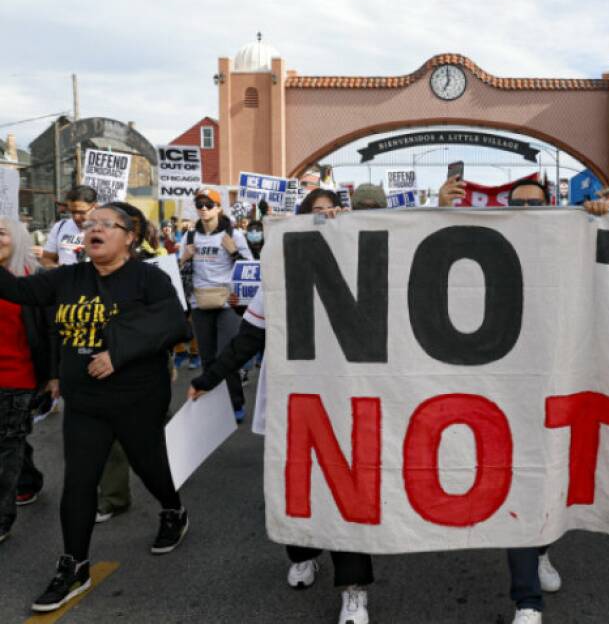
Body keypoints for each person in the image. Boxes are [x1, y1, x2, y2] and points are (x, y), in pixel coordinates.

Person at [192, 187, 374, 624]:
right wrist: (209, 377)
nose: (326, 219)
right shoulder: (282, 272)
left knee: (348, 493)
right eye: (317, 213)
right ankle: (303, 552)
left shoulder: (367, 270)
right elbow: (249, 339)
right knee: (297, 489)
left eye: (334, 212)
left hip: (347, 402)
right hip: (294, 406)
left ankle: (353, 587)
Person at [0, 202, 190, 613]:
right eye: (89, 225)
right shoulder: (69, 277)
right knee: (80, 480)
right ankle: (75, 564)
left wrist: (117, 353)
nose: (93, 229)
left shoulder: (147, 278)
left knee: (148, 464)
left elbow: (174, 323)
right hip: (84, 400)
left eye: (106, 224)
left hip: (137, 397)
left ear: (129, 236)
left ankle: (173, 509)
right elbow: (17, 291)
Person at [437, 174, 595, 624]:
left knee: (542, 482)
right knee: (517, 485)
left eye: (536, 204)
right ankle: (527, 601)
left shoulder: (567, 246)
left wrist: (597, 222)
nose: (527, 211)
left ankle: (540, 552)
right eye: (518, 204)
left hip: (549, 390)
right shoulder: (489, 245)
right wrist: (440, 207)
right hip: (494, 390)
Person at [0, 217, 55, 543]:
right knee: (13, 439)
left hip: (16, 376)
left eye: (2, 233)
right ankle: (29, 479)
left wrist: (53, 376)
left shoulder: (33, 277)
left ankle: (2, 518)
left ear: (17, 238)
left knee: (6, 445)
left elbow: (49, 332)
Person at [179, 188, 251, 421]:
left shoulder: (234, 235)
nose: (203, 208)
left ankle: (235, 403)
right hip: (199, 302)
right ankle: (212, 406)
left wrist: (234, 253)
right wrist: (184, 259)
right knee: (208, 358)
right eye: (199, 203)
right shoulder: (189, 237)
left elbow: (250, 270)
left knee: (225, 356)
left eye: (209, 204)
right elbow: (178, 270)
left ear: (219, 208)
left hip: (227, 302)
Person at [42, 185, 98, 267]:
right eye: (72, 212)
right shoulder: (60, 227)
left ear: (94, 207)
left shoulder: (107, 230)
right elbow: (46, 258)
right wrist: (59, 271)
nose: (76, 217)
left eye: (81, 212)